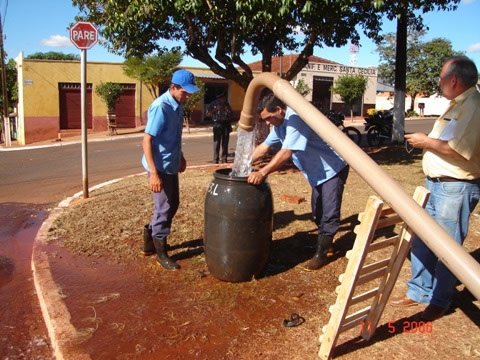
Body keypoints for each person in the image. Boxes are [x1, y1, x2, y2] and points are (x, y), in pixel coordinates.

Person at [394, 56, 480, 321]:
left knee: (447, 248)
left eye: (442, 78)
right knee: (422, 241)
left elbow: (460, 152)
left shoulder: (474, 106)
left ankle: (440, 301)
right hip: (437, 185)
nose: (439, 83)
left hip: (455, 188)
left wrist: (425, 141)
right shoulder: (458, 104)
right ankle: (420, 291)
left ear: (453, 80)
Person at [247, 93, 349, 270]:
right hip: (317, 172)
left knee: (329, 212)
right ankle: (326, 243)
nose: (268, 123)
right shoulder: (278, 125)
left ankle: (322, 252)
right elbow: (264, 147)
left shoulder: (296, 118)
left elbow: (287, 152)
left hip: (333, 168)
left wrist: (263, 172)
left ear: (279, 110)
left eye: (269, 118)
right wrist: (244, 163)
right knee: (317, 212)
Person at [141, 69, 199, 270]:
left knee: (173, 203)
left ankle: (149, 239)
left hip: (171, 164)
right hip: (159, 167)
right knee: (164, 208)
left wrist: (181, 156)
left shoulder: (178, 105)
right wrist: (154, 173)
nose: (188, 96)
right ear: (173, 87)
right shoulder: (161, 106)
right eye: (185, 92)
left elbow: (173, 136)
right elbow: (147, 140)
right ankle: (161, 253)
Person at [207, 92, 233, 163]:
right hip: (217, 124)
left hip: (226, 124)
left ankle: (224, 159)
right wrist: (216, 109)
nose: (224, 99)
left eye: (224, 98)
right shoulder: (213, 104)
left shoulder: (226, 104)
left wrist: (230, 125)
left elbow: (230, 114)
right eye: (222, 98)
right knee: (217, 142)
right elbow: (208, 114)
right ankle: (215, 160)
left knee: (225, 143)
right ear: (219, 98)